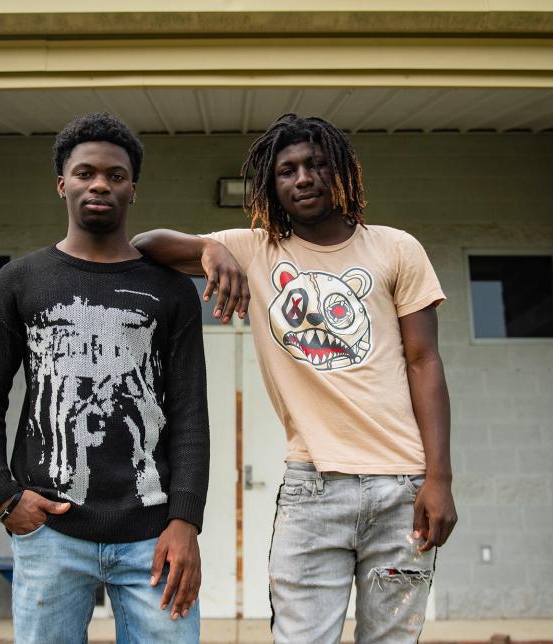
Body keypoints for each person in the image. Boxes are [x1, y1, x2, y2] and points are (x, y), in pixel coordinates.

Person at [133, 113, 457, 643]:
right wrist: (210, 248)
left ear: (341, 173)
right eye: (287, 170)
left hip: (402, 485)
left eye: (316, 164)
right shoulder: (257, 249)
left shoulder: (397, 248)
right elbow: (146, 243)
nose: (303, 178)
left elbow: (425, 362)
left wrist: (439, 478)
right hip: (312, 487)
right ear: (271, 184)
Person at [0, 112, 209, 644]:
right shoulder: (19, 281)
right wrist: (3, 497)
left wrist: (185, 519)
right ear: (62, 183)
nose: (100, 184)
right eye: (85, 172)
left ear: (132, 190)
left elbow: (189, 414)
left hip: (154, 537)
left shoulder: (169, 290)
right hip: (50, 530)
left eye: (115, 175)